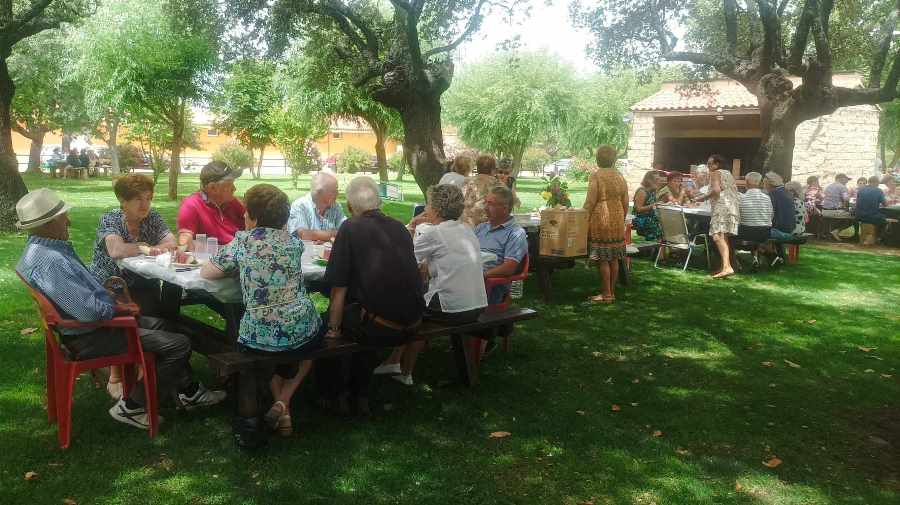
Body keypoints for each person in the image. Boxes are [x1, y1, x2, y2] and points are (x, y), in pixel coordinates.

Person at [15, 189, 225, 431]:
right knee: (178, 344)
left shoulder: (41, 250)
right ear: (49, 224)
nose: (69, 221)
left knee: (168, 326)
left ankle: (187, 391)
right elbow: (89, 313)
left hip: (90, 329)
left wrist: (118, 305)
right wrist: (118, 307)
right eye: (64, 217)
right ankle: (132, 406)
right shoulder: (51, 261)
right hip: (90, 336)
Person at [201, 184, 323, 440]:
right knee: (312, 344)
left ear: (254, 217)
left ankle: (274, 408)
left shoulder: (244, 242)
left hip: (260, 332)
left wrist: (239, 266)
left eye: (246, 213)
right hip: (300, 326)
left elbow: (207, 272)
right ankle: (283, 405)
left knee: (262, 347)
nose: (243, 217)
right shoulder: (294, 243)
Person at [319, 177, 425, 415]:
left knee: (324, 325)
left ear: (349, 206)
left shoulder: (350, 227)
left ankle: (333, 393)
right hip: (413, 321)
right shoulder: (399, 227)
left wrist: (333, 330)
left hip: (381, 325)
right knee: (365, 311)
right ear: (380, 203)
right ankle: (360, 392)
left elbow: (338, 288)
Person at [376, 184, 487, 386]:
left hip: (453, 307)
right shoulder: (467, 230)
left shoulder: (435, 233)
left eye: (428, 204)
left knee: (410, 312)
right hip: (477, 304)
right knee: (416, 306)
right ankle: (393, 362)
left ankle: (405, 371)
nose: (425, 208)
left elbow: (402, 258)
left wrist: (411, 226)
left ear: (435, 210)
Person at [582, 145, 629, 303]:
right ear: (614, 159)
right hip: (617, 216)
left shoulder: (596, 176)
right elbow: (626, 201)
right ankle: (612, 292)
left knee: (603, 257)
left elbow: (590, 201)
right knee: (614, 257)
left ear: (598, 158)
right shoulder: (620, 176)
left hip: (601, 217)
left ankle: (606, 294)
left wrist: (582, 217)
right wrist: (622, 217)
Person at [475, 186, 529, 305]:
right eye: (486, 203)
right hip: (471, 279)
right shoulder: (481, 228)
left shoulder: (515, 233)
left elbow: (509, 268)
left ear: (504, 208)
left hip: (491, 286)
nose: (485, 207)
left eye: (490, 204)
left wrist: (480, 276)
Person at [177, 160, 245, 248]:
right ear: (212, 188)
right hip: (212, 258)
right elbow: (185, 238)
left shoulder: (233, 202)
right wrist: (184, 245)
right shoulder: (192, 205)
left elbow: (255, 226)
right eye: (229, 184)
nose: (234, 188)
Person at [695, 154, 739, 278]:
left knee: (717, 235)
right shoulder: (728, 173)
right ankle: (726, 266)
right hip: (732, 206)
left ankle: (727, 267)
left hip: (722, 207)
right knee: (723, 236)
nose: (708, 166)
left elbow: (716, 191)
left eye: (710, 164)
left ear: (717, 164)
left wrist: (703, 198)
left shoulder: (715, 173)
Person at [287, 171, 346, 242]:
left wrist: (320, 237)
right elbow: (303, 234)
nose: (337, 194)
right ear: (319, 192)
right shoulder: (300, 206)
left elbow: (346, 230)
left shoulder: (336, 206)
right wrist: (333, 234)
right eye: (334, 191)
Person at [461, 154, 503, 227]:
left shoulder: (467, 181)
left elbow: (461, 202)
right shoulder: (497, 184)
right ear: (492, 169)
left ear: (477, 168)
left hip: (468, 224)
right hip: (487, 226)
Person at [737, 172, 773, 244]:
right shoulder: (767, 198)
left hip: (746, 233)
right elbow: (771, 216)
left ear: (746, 182)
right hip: (765, 233)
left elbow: (738, 217)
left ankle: (729, 254)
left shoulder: (741, 198)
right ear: (759, 183)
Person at [764, 172, 796, 241]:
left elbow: (768, 214)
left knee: (756, 231)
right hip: (790, 229)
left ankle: (763, 250)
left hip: (779, 230)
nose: (764, 186)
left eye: (764, 184)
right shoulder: (787, 192)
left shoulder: (773, 193)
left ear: (769, 184)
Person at [632, 170, 661, 241]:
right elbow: (638, 209)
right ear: (649, 180)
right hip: (641, 221)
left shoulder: (652, 191)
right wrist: (653, 205)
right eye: (656, 179)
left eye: (659, 179)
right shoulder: (642, 191)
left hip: (650, 220)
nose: (659, 181)